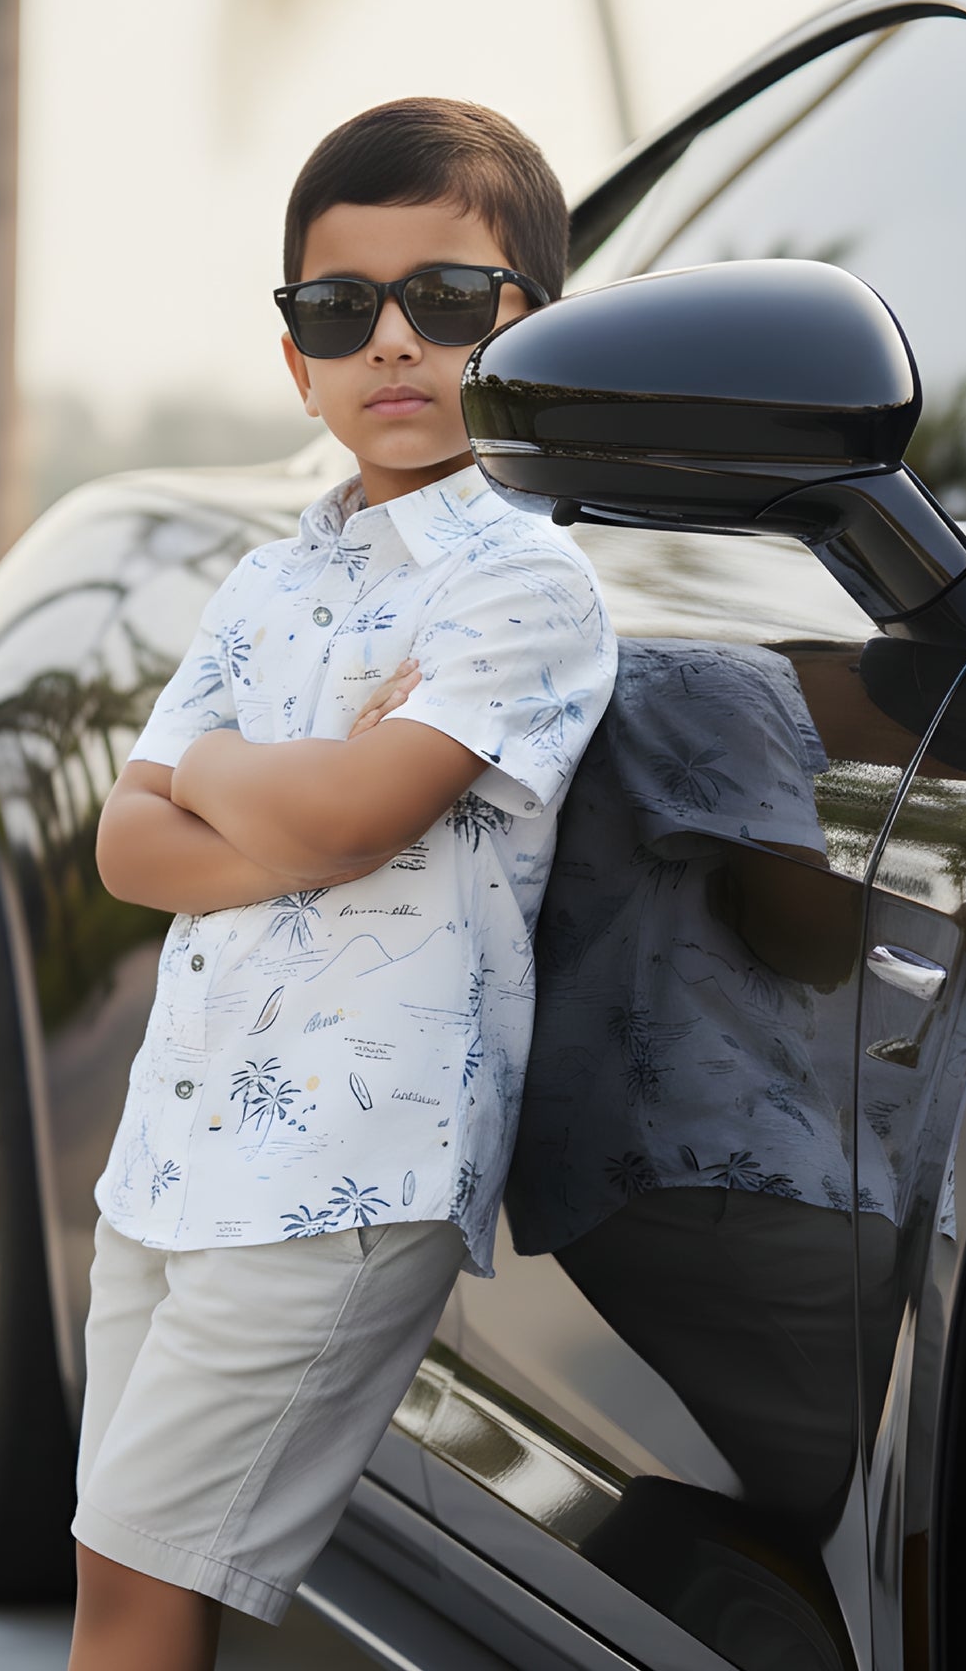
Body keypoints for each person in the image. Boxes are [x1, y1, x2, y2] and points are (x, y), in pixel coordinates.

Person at [65, 97, 617, 1671]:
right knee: (116, 1567)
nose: (391, 341)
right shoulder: (276, 570)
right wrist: (281, 794)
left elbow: (350, 819)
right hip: (177, 1150)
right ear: (294, 355)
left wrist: (225, 771)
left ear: (531, 332)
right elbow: (127, 844)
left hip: (344, 1177)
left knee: (147, 1587)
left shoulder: (524, 579)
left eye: (444, 301)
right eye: (339, 307)